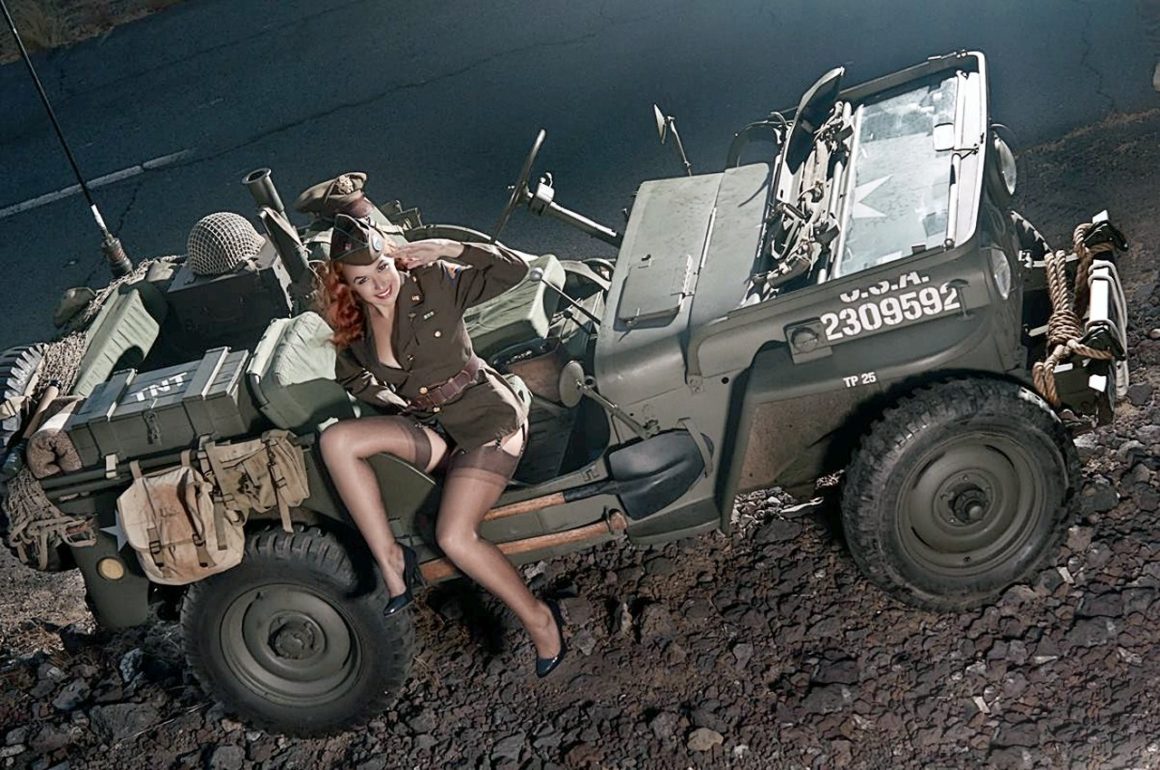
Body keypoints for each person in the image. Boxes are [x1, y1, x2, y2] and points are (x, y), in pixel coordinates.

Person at [316, 213, 567, 678]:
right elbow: (350, 376)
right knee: (336, 440)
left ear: (394, 258)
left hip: (487, 421)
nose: (379, 285)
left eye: (382, 268)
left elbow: (514, 270)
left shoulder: (432, 282)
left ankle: (540, 620)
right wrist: (390, 401)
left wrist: (448, 247)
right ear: (348, 287)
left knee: (454, 536)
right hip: (434, 427)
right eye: (363, 280)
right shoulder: (357, 327)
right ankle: (392, 560)